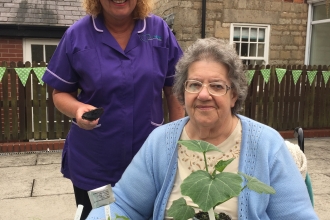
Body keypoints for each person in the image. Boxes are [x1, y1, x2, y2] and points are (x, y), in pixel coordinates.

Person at [87, 37, 318, 220]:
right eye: (194, 85)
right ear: (182, 92)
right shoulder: (161, 141)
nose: (204, 94)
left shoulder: (267, 144)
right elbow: (123, 203)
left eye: (217, 86)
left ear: (234, 95)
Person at [42, 0, 184, 219]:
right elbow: (60, 93)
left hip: (148, 159)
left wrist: (176, 142)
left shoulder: (158, 31)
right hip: (95, 162)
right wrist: (78, 109)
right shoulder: (77, 35)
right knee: (99, 216)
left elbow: (175, 90)